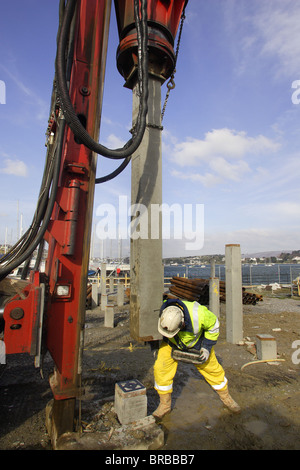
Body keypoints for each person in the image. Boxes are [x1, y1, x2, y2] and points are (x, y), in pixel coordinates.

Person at [152, 297, 241, 419]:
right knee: (161, 369)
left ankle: (226, 398)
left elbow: (214, 325)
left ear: (182, 323)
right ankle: (164, 405)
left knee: (213, 370)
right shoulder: (162, 310)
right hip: (171, 343)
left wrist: (207, 347)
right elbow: (150, 328)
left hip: (197, 344)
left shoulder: (199, 314)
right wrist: (154, 346)